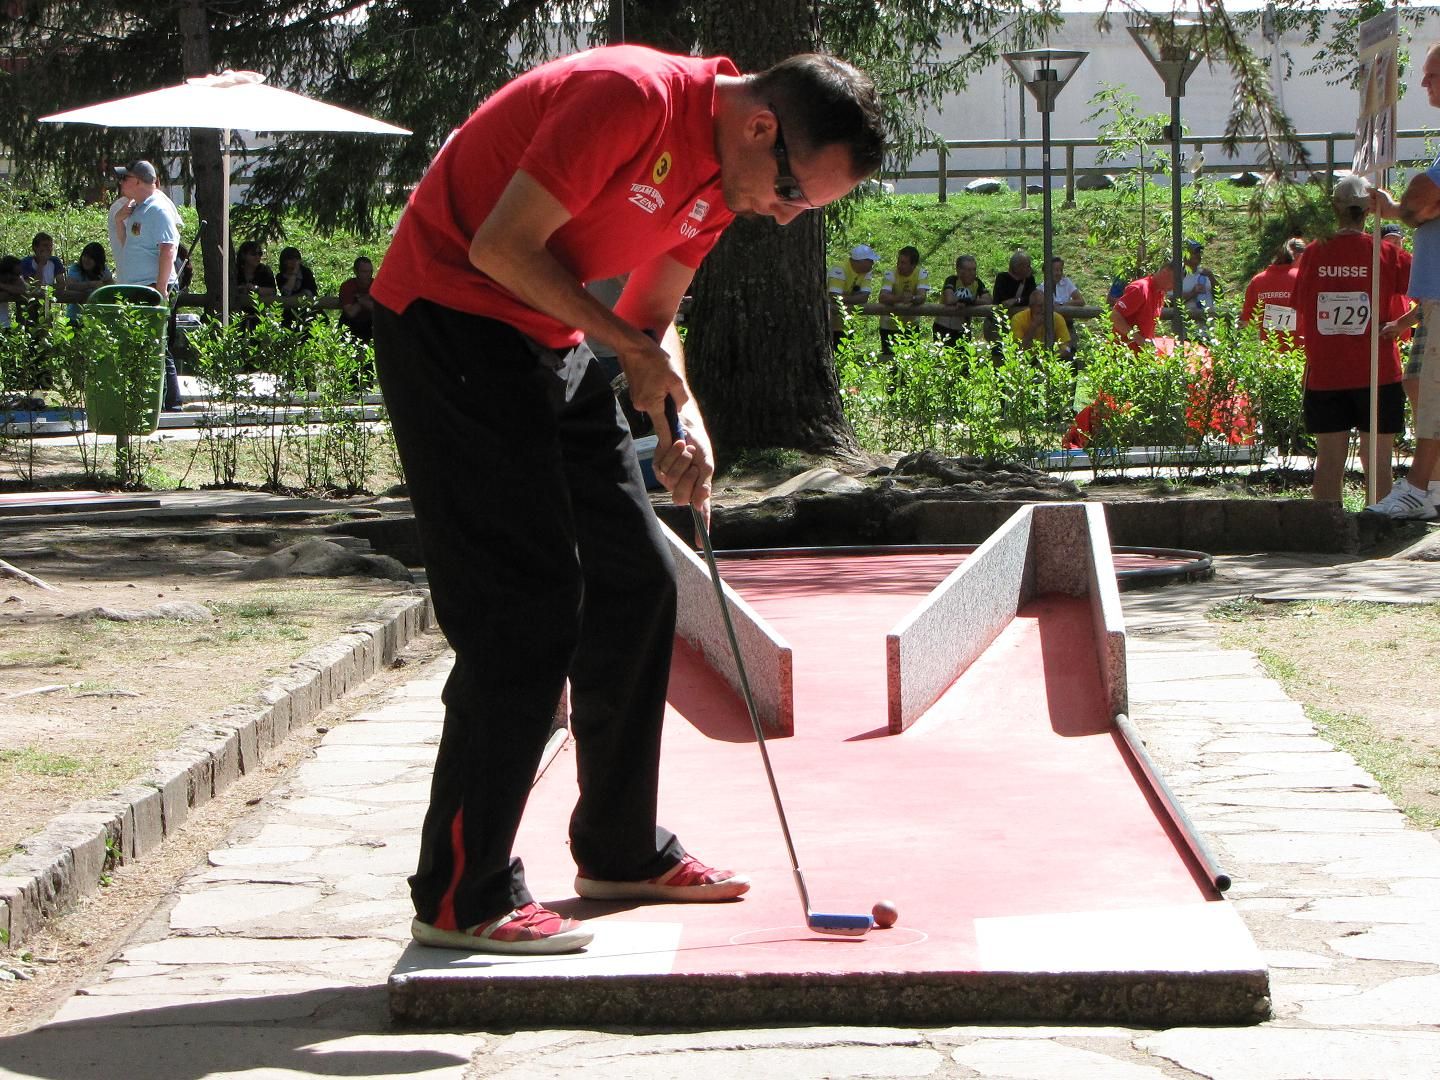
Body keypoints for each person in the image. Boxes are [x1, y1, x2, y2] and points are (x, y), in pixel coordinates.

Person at [369, 45, 884, 956]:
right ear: (762, 127)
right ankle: (460, 894)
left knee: (640, 580)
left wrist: (683, 417)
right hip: (449, 321)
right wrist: (631, 355)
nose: (780, 215)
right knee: (524, 608)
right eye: (795, 194)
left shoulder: (722, 186)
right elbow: (500, 246)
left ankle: (618, 848)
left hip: (547, 337)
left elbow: (648, 323)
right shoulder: (629, 98)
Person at [1290, 176, 1411, 506]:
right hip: (1378, 372)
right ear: (1369, 211)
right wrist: (1403, 323)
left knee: (1328, 464)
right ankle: (1378, 532)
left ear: (1335, 208)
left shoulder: (1313, 253)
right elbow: (1432, 288)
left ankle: (1329, 532)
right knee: (1377, 465)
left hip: (1327, 373)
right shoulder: (1385, 253)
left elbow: (1302, 308)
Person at [1371, 41, 1440, 520]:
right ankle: (1433, 486)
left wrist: (1396, 208)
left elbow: (1425, 197)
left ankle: (1417, 486)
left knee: (1432, 392)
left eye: (1432, 75)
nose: (1422, 84)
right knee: (1421, 385)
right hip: (1433, 296)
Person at [111, 159, 182, 409]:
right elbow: (128, 245)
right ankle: (150, 402)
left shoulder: (158, 209)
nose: (121, 183)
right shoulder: (136, 208)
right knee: (141, 345)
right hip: (138, 286)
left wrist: (161, 288)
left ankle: (172, 404)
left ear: (138, 181)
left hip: (153, 286)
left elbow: (168, 248)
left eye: (125, 178)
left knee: (158, 344)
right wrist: (120, 221)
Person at [1240, 238, 1305, 337]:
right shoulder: (1302, 278)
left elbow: (1246, 321)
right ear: (1295, 257)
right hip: (1300, 348)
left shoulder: (1257, 281)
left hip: (1269, 349)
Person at [1110, 260, 1177, 350]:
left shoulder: (1160, 293)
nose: (1174, 287)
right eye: (1173, 282)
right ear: (1165, 272)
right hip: (1123, 354)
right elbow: (1115, 316)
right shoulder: (1139, 289)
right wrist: (1138, 339)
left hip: (1141, 355)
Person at [877, 244, 929, 357]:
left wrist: (913, 298)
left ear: (913, 265)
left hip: (911, 326)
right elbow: (883, 297)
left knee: (911, 361)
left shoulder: (921, 273)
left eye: (903, 263)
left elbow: (922, 296)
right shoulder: (890, 274)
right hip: (889, 326)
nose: (899, 265)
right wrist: (902, 298)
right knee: (889, 362)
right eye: (899, 261)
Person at [826, 243, 878, 352]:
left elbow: (864, 297)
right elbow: (834, 297)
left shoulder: (866, 272)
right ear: (861, 261)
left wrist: (843, 298)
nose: (873, 264)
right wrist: (853, 298)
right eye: (870, 261)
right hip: (829, 324)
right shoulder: (839, 269)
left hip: (847, 324)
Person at [934, 253, 990, 347]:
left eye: (974, 269)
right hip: (943, 327)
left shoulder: (977, 283)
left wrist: (969, 301)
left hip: (963, 329)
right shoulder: (952, 280)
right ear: (959, 270)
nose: (972, 273)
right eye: (968, 270)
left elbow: (988, 301)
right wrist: (966, 300)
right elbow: (949, 299)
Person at [1011, 287, 1071, 361]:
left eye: (1046, 305)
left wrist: (1048, 360)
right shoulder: (1018, 319)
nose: (1044, 309)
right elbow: (1018, 348)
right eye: (1039, 306)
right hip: (1028, 360)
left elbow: (1065, 347)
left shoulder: (1057, 318)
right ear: (1031, 307)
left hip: (1051, 359)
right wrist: (1033, 326)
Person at [62, 241, 114, 322]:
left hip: (95, 319)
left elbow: (111, 285)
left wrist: (103, 287)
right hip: (74, 317)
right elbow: (70, 286)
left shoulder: (103, 270)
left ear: (98, 260)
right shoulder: (76, 268)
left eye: (90, 258)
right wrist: (91, 284)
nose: (86, 260)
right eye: (85, 256)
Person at [275, 246, 320, 329]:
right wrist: (294, 274)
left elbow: (309, 293)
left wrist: (293, 298)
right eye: (291, 258)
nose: (294, 261)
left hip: (309, 313)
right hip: (290, 315)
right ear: (284, 261)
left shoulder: (306, 272)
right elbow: (286, 293)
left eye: (297, 258)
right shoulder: (280, 276)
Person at [338, 256, 376, 343]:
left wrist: (360, 300)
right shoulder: (347, 286)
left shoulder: (376, 285)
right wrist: (366, 299)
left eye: (370, 271)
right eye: (364, 272)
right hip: (350, 326)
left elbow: (378, 310)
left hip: (370, 326)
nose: (368, 275)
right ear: (355, 271)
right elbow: (350, 313)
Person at [1180, 240, 1219, 323]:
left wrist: (1212, 278)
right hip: (1187, 328)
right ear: (1185, 255)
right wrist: (1192, 293)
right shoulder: (1178, 276)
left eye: (1199, 252)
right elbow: (1169, 301)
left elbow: (1220, 296)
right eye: (1194, 252)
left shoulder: (1205, 274)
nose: (1197, 255)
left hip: (1208, 329)